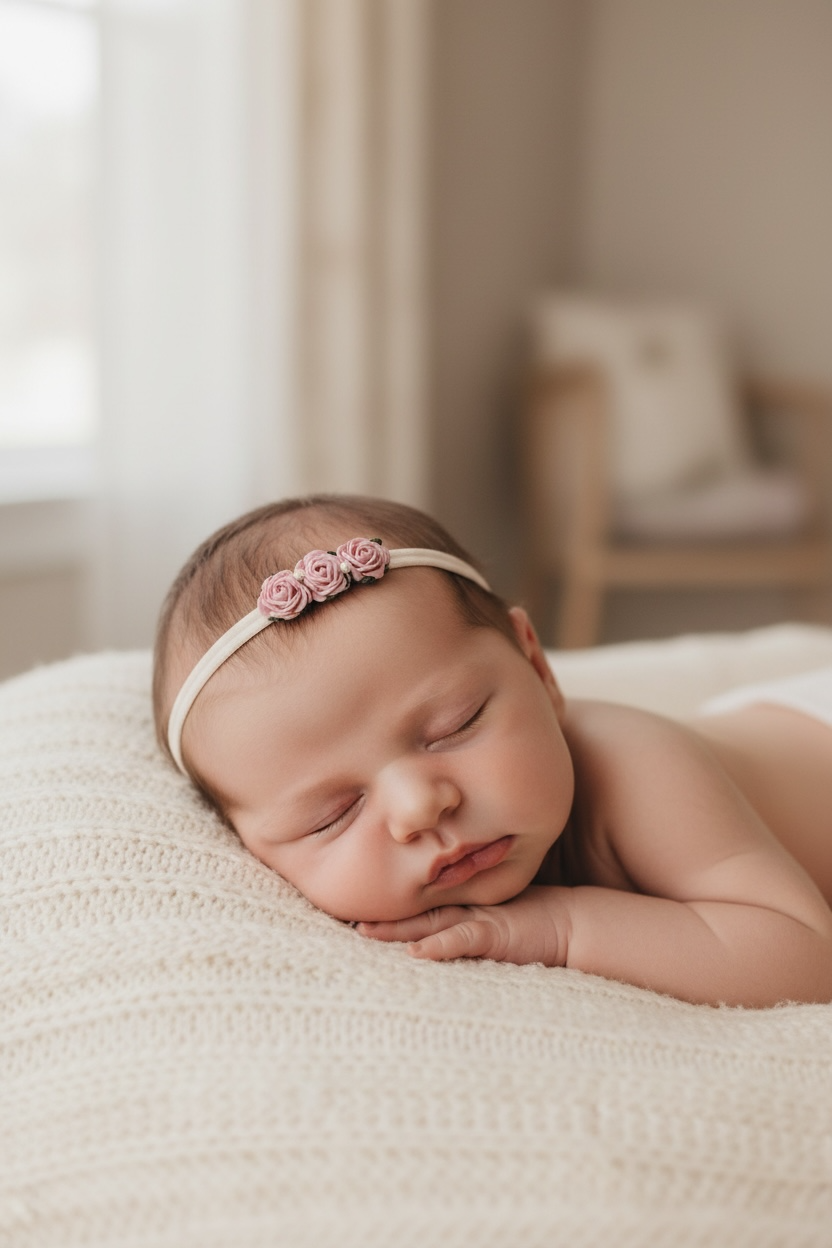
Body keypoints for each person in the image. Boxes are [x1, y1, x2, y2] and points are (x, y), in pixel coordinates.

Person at [153, 494, 832, 1008]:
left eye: (455, 725)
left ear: (536, 666)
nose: (420, 806)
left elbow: (804, 957)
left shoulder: (638, 766)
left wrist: (559, 928)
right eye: (332, 813)